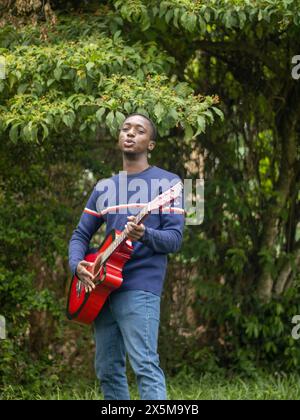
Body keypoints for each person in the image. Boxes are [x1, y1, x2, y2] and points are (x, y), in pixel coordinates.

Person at [68, 113, 185, 400]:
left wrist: (144, 234)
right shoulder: (104, 188)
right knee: (107, 369)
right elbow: (80, 235)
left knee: (144, 365)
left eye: (139, 130)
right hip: (102, 289)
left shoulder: (167, 184)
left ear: (151, 144)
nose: (130, 133)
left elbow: (174, 240)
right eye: (125, 128)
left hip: (140, 287)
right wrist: (77, 266)